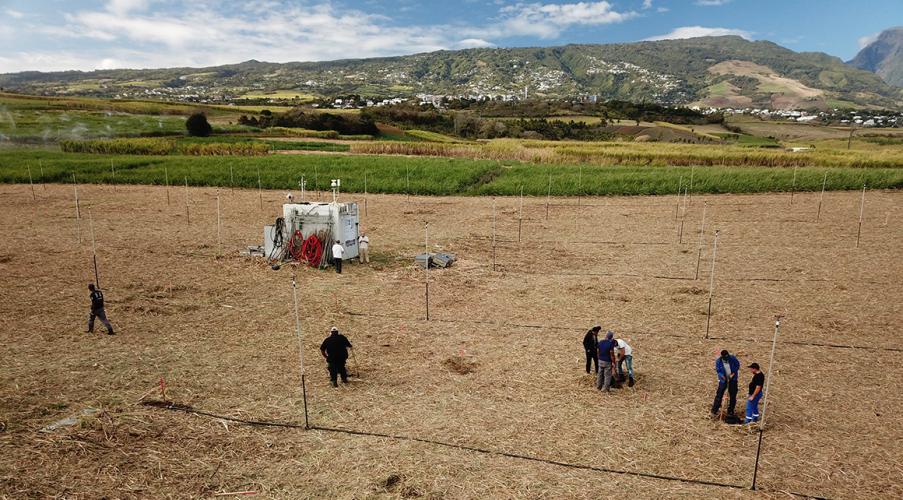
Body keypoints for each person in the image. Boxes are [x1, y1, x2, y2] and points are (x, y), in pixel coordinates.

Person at [711, 349, 741, 418]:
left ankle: (730, 411)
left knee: (733, 396)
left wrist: (733, 373)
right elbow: (718, 370)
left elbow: (737, 365)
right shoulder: (719, 361)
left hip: (733, 380)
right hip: (723, 381)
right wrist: (722, 376)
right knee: (719, 395)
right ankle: (714, 410)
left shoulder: (732, 358)